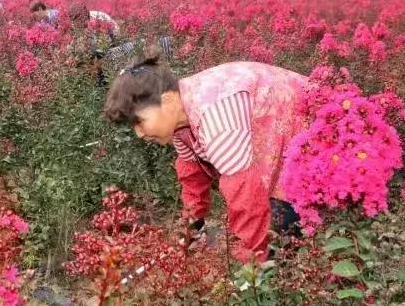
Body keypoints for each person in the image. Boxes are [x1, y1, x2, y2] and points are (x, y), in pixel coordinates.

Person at [104, 53, 307, 263]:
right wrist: (191, 226)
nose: (138, 133)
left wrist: (251, 263)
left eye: (139, 121)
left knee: (279, 239)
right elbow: (192, 175)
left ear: (167, 100)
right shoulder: (180, 120)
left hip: (311, 131)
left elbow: (245, 195)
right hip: (278, 140)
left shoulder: (214, 115)